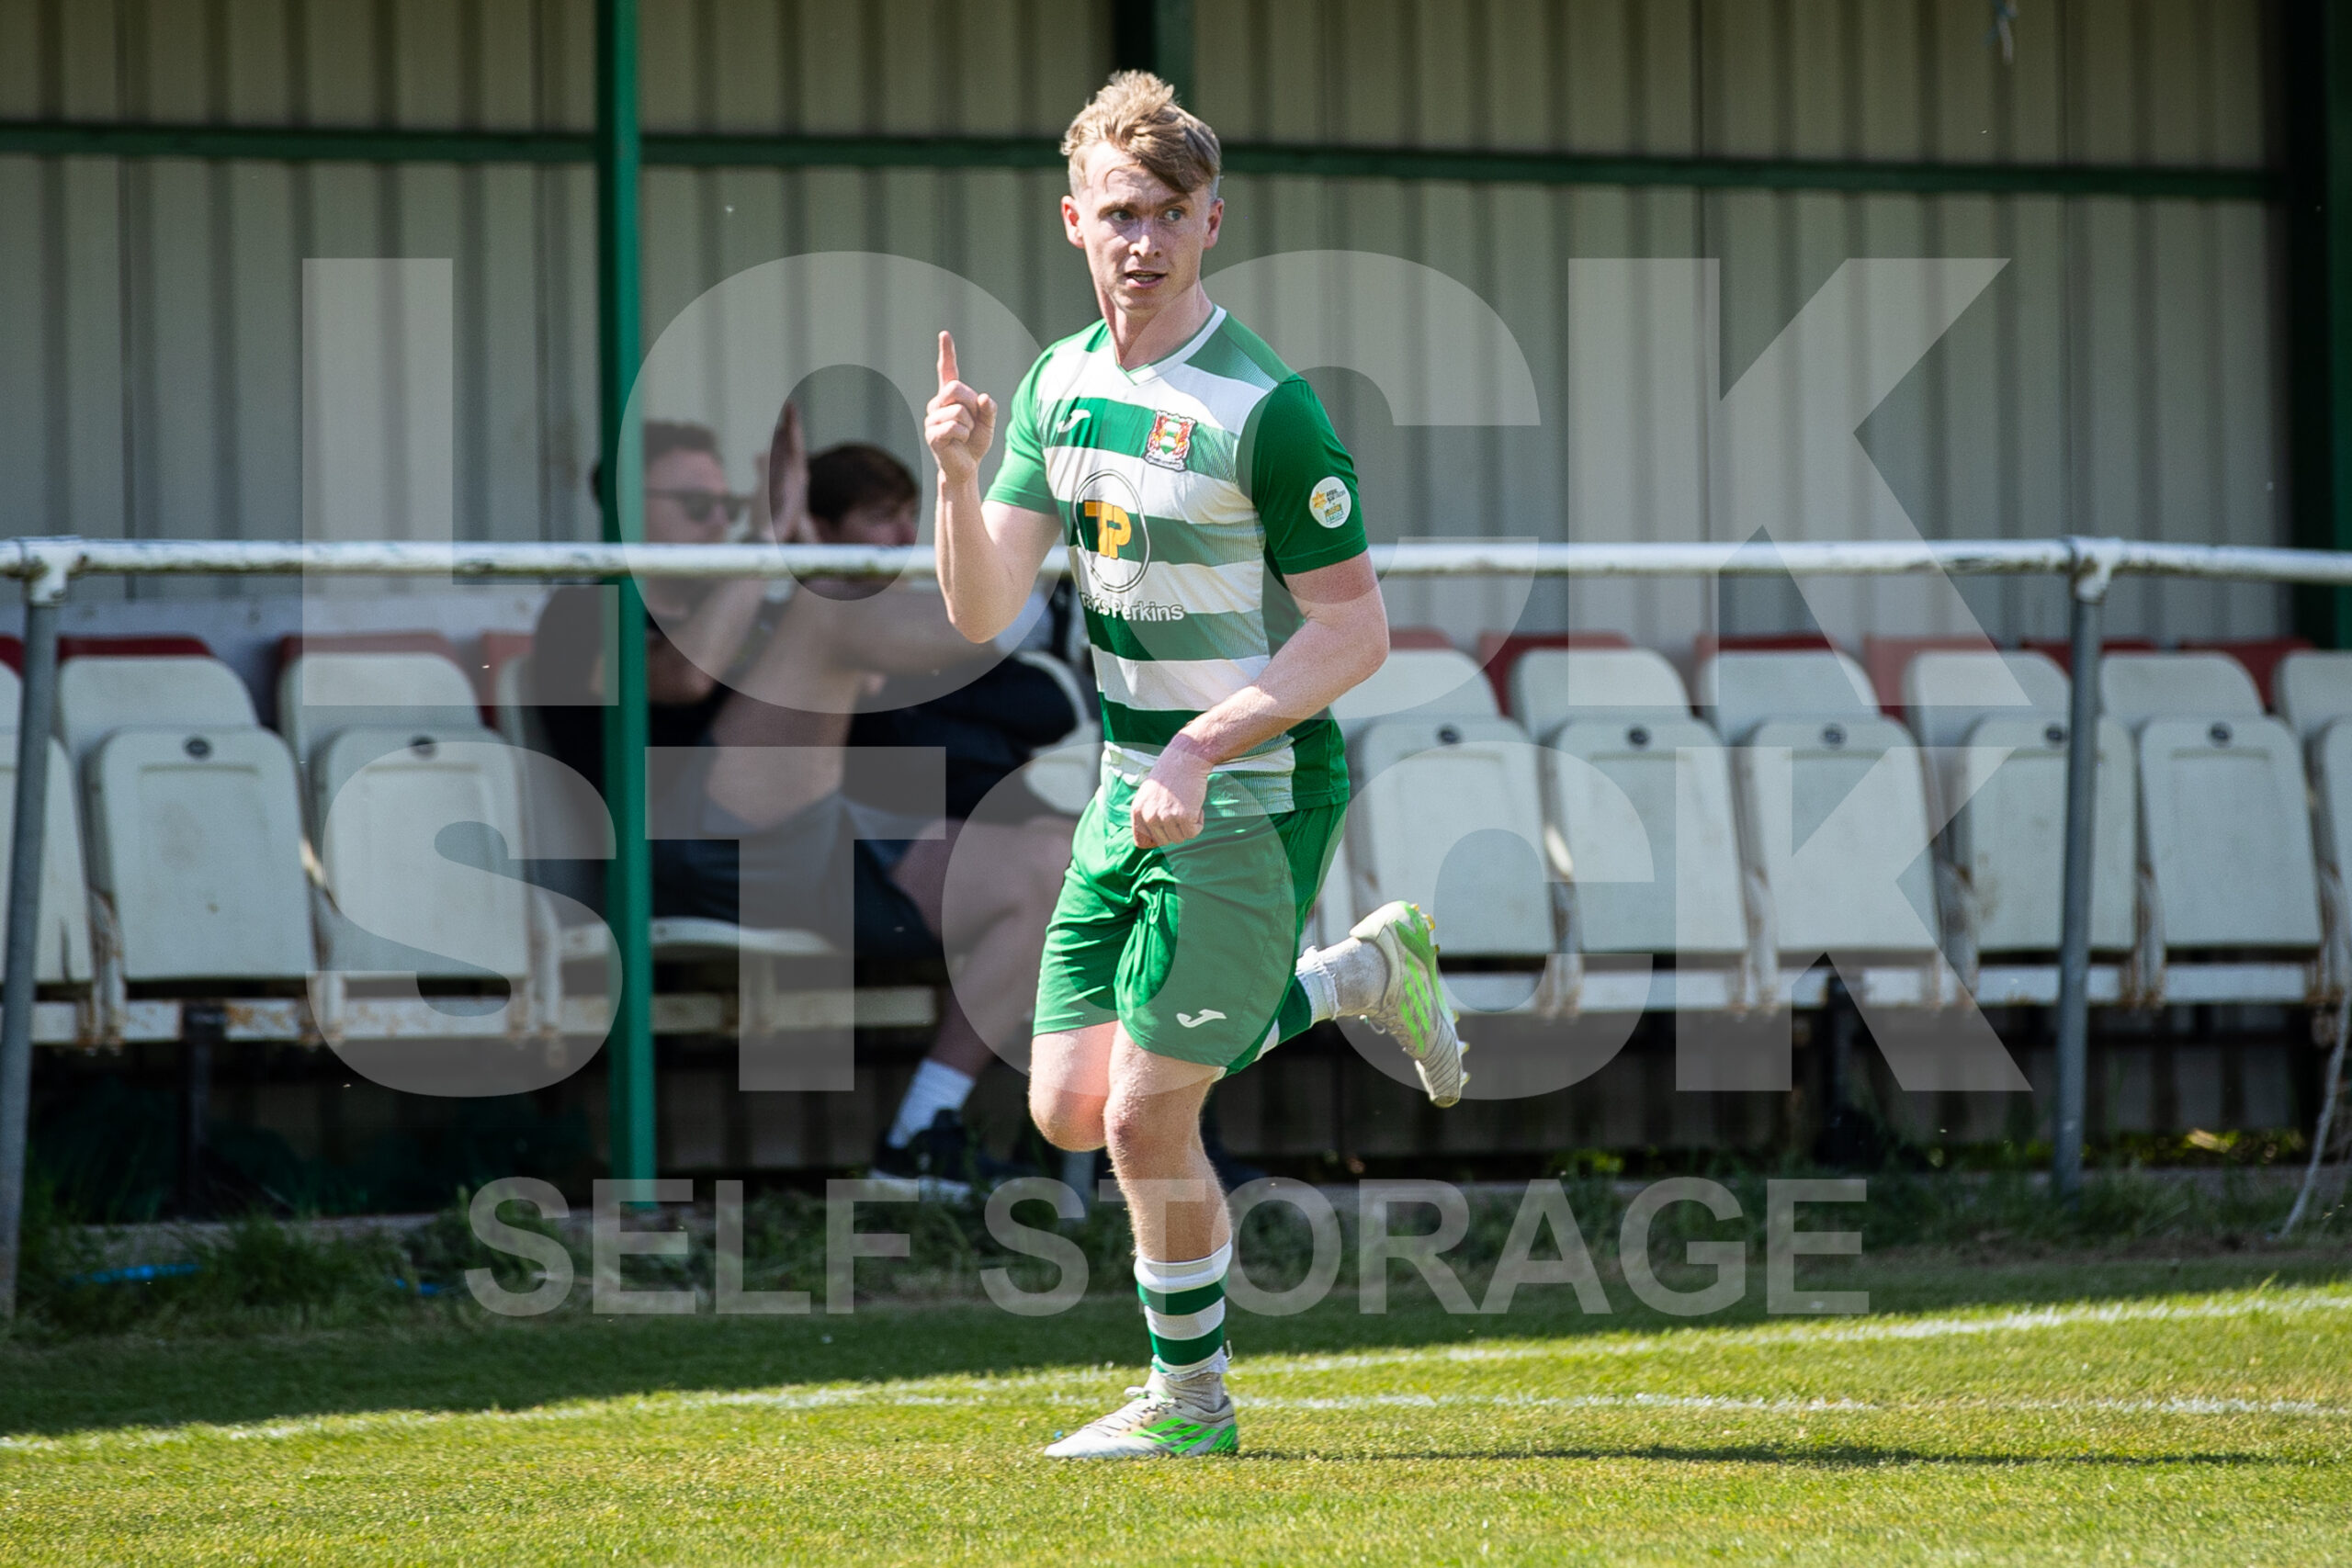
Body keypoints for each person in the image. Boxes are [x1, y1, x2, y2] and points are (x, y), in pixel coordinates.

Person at [923, 71, 1469, 1461]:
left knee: (1141, 1118)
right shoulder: (1055, 384)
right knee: (1064, 1106)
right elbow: (982, 610)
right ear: (1074, 220)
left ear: (1213, 221)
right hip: (1130, 792)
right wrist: (956, 477)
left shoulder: (1266, 408)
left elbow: (1355, 632)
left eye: (1172, 213)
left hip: (1249, 790)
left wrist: (1202, 741)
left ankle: (1192, 1405)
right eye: (1120, 213)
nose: (1145, 240)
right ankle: (1358, 976)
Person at [530, 412, 1075, 1193]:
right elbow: (685, 677)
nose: (720, 523)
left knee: (1050, 864)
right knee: (821, 614)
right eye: (698, 507)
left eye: (728, 505)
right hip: (680, 855)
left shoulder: (740, 597)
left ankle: (919, 1134)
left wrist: (793, 552)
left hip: (802, 844)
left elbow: (875, 669)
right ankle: (1026, 605)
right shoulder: (582, 612)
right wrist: (771, 539)